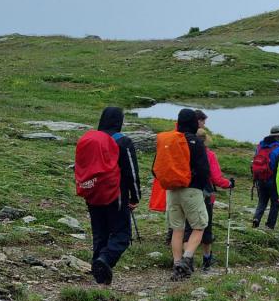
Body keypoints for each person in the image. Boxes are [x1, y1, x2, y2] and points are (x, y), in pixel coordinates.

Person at [74, 106, 141, 286]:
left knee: (100, 232)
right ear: (119, 121)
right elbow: (131, 172)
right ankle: (104, 260)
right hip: (115, 193)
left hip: (92, 191)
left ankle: (99, 274)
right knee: (122, 234)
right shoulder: (122, 141)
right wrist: (135, 197)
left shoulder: (91, 140)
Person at [154, 108, 211, 281]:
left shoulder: (169, 140)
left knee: (177, 229)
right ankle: (187, 259)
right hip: (191, 189)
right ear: (194, 122)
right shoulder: (195, 141)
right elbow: (203, 170)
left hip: (171, 191)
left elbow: (156, 168)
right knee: (200, 226)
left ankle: (176, 264)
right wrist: (200, 187)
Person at [185, 129, 234, 272]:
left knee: (188, 228)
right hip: (204, 194)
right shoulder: (209, 154)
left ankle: (187, 261)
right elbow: (216, 178)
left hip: (184, 193)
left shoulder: (184, 151)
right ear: (205, 140)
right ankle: (207, 260)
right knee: (205, 227)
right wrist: (229, 184)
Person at [251, 126, 279, 230]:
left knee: (262, 201)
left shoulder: (260, 145)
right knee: (275, 203)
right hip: (273, 180)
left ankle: (256, 219)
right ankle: (269, 226)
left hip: (260, 178)